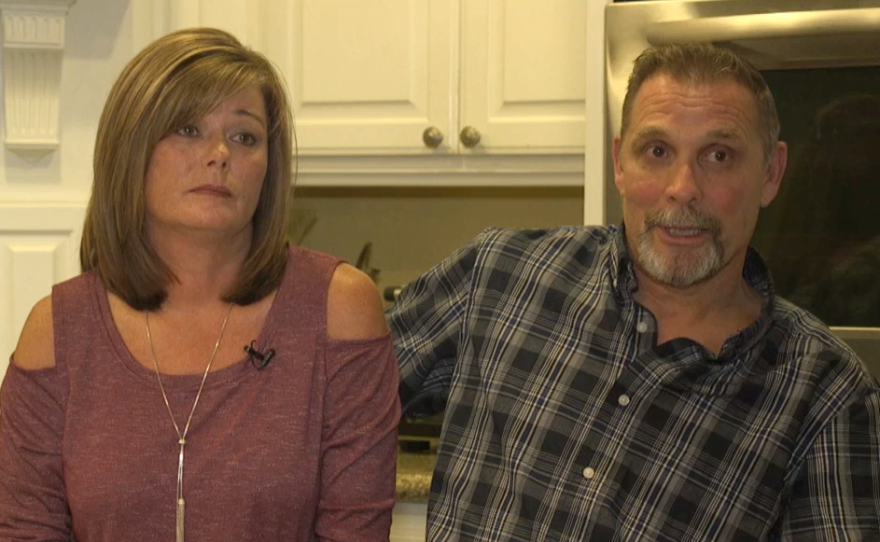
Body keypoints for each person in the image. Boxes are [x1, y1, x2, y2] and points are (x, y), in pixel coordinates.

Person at [389, 43, 880, 541]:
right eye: (658, 151)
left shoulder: (826, 397)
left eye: (718, 155)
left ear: (770, 174)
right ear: (620, 163)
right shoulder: (497, 275)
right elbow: (329, 408)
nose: (683, 187)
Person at [0, 28, 400, 541]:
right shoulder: (56, 330)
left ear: (267, 168)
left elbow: (356, 531)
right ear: (130, 150)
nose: (219, 154)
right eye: (188, 129)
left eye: (244, 136)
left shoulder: (337, 308)